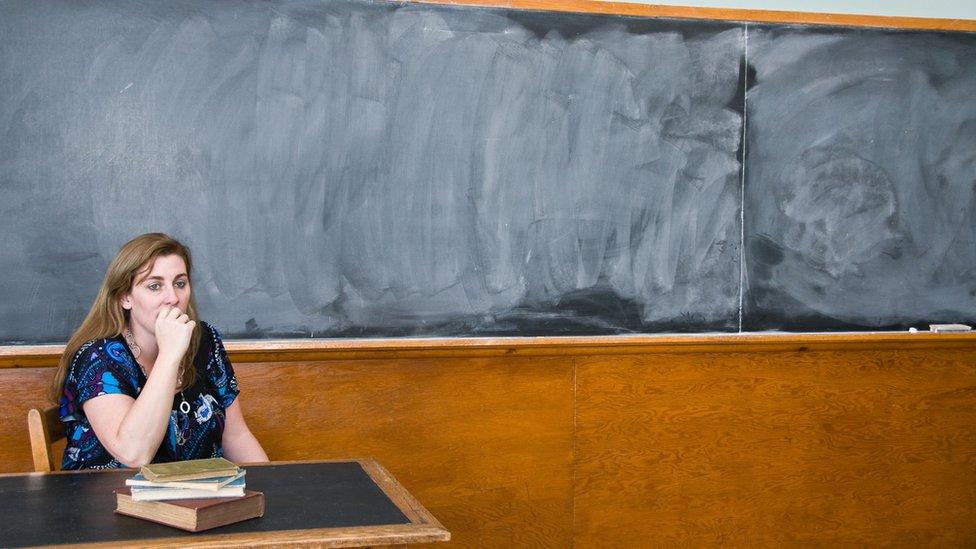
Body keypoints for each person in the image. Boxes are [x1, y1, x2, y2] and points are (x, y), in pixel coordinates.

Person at [50, 233, 268, 469]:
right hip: (110, 499)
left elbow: (236, 436)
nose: (173, 298)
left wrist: (272, 488)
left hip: (194, 497)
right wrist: (169, 355)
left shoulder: (204, 340)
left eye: (180, 283)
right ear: (125, 297)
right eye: (155, 286)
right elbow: (134, 454)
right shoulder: (97, 357)